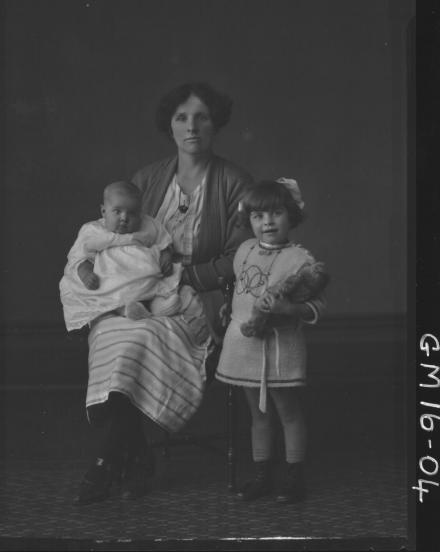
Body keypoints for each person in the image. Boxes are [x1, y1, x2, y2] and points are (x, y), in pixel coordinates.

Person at [74, 82, 253, 505]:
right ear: (169, 126)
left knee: (137, 340)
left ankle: (106, 462)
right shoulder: (146, 179)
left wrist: (184, 276)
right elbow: (107, 238)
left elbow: (239, 256)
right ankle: (136, 457)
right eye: (181, 118)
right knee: (110, 335)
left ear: (216, 123)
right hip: (136, 294)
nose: (191, 127)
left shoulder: (234, 182)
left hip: (196, 300)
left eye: (202, 117)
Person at [215, 179, 328, 503]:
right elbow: (243, 291)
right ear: (248, 219)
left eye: (276, 213)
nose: (267, 222)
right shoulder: (245, 251)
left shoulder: (300, 261)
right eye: (258, 215)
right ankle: (262, 474)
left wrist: (287, 308)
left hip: (280, 346)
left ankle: (294, 476)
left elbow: (316, 307)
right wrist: (231, 307)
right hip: (244, 344)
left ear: (291, 216)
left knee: (287, 410)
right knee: (257, 413)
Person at [60, 180, 187, 332]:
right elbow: (78, 255)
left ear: (140, 214)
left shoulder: (148, 224)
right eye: (117, 211)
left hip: (143, 275)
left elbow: (163, 240)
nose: (124, 218)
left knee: (155, 288)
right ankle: (125, 310)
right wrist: (85, 272)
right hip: (112, 278)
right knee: (112, 300)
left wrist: (166, 254)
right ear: (103, 211)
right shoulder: (93, 230)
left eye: (132, 213)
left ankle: (157, 306)